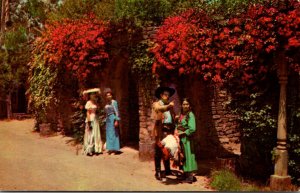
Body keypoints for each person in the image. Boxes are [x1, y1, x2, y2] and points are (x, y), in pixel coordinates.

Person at [151, 86, 176, 182]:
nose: (167, 96)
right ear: (161, 95)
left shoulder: (169, 105)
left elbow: (173, 116)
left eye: (168, 95)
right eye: (165, 94)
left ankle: (168, 170)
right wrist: (168, 106)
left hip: (169, 130)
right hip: (160, 130)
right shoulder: (156, 104)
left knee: (167, 150)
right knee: (158, 150)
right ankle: (158, 171)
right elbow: (158, 109)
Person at [176, 98, 198, 183]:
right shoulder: (181, 115)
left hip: (187, 139)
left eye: (187, 104)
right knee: (183, 157)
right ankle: (185, 174)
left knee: (188, 156)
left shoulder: (190, 115)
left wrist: (183, 133)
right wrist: (176, 131)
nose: (185, 106)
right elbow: (178, 124)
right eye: (184, 104)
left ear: (190, 106)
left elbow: (192, 128)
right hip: (181, 139)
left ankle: (190, 177)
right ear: (181, 105)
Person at [82, 88, 103, 156]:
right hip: (90, 119)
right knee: (91, 134)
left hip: (95, 118)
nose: (93, 96)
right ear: (90, 96)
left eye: (94, 95)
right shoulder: (88, 102)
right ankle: (89, 150)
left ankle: (96, 149)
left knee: (96, 134)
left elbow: (98, 109)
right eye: (92, 95)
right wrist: (89, 122)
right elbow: (88, 113)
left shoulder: (95, 102)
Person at [103, 88, 120, 155]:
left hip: (113, 118)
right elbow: (106, 112)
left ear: (111, 95)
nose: (109, 96)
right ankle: (110, 149)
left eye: (110, 95)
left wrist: (116, 120)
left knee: (113, 134)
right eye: (107, 95)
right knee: (109, 134)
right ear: (106, 96)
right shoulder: (107, 103)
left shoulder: (114, 102)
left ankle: (115, 149)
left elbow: (117, 112)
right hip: (108, 120)